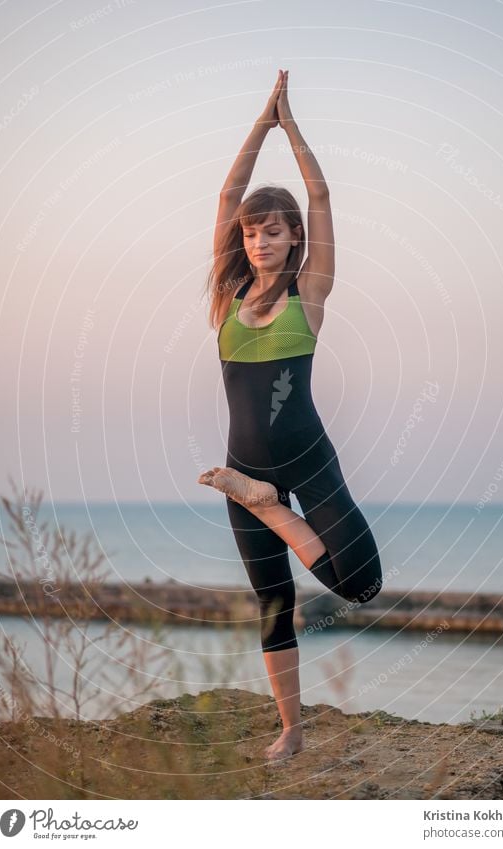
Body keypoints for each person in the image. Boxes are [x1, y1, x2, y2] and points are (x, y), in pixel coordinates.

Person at [198, 69, 383, 761]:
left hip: (308, 461)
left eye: (270, 231)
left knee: (360, 583)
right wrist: (259, 122)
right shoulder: (224, 299)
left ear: (292, 236)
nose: (257, 242)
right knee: (274, 604)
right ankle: (292, 729)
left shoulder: (310, 295)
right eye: (249, 234)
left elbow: (322, 193)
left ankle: (268, 504)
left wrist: (290, 125)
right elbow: (224, 195)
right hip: (244, 464)